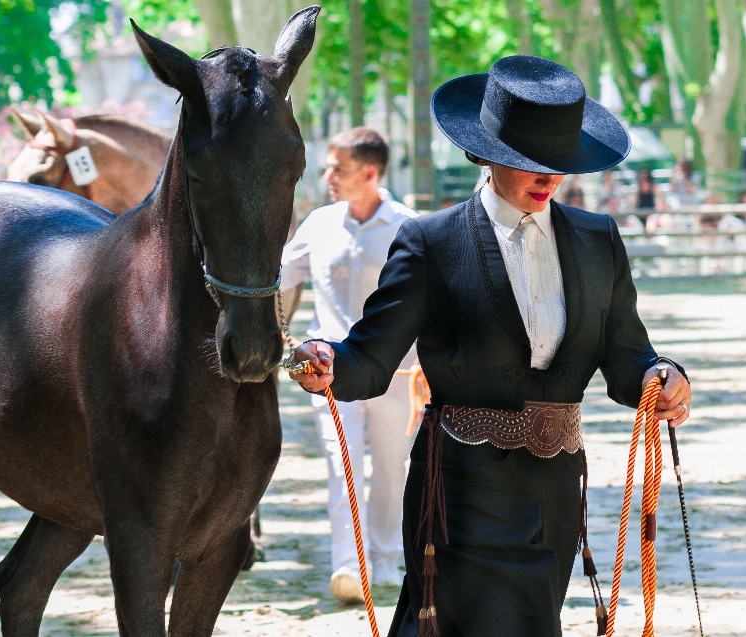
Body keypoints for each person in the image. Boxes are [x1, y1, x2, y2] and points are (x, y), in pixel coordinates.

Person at [288, 56, 691, 637]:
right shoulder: (429, 242)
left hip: (556, 490)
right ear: (487, 151)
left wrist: (663, 377)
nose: (547, 175)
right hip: (461, 487)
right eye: (531, 161)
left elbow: (627, 357)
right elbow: (370, 358)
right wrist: (327, 363)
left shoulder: (598, 240)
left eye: (559, 161)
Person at [280, 127, 418, 603]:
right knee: (342, 467)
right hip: (329, 373)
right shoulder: (318, 225)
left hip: (398, 375)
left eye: (337, 168)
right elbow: (276, 279)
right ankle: (348, 562)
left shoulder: (409, 227)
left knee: (390, 467)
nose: (327, 177)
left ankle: (384, 558)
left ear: (371, 172)